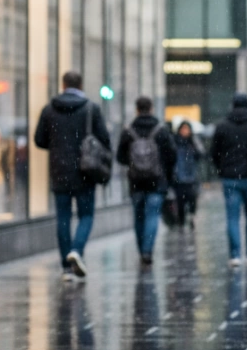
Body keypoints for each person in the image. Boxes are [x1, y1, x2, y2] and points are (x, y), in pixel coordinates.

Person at [34, 71, 111, 281]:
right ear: (81, 84)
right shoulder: (90, 109)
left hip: (59, 170)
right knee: (86, 215)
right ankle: (76, 250)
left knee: (63, 217)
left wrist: (59, 145)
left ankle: (66, 268)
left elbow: (39, 140)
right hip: (85, 170)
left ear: (63, 84)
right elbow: (104, 139)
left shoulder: (49, 109)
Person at [116, 96, 177, 266]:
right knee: (152, 216)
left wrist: (134, 163)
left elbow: (120, 157)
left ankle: (141, 248)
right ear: (151, 109)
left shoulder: (128, 131)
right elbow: (172, 155)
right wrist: (166, 175)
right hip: (157, 182)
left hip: (136, 182)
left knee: (139, 217)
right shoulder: (161, 130)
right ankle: (147, 251)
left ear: (136, 109)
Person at [210, 94, 247, 266]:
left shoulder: (222, 126)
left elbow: (213, 152)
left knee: (232, 218)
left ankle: (235, 255)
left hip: (230, 177)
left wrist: (221, 168)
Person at [171, 121, 203, 229]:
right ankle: (181, 222)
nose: (185, 131)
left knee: (192, 198)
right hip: (179, 177)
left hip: (191, 176)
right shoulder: (175, 142)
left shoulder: (193, 142)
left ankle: (191, 216)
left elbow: (201, 154)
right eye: (183, 129)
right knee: (180, 201)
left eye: (187, 129)